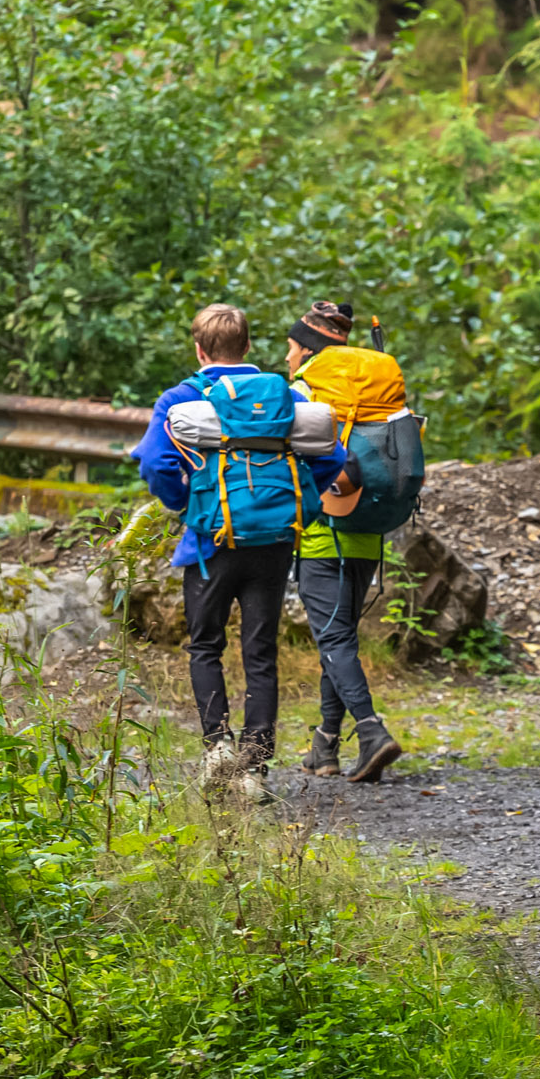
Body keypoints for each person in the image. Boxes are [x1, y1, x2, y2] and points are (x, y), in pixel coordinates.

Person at [129, 303, 345, 800]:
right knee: (260, 652)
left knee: (206, 645)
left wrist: (188, 504)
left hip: (211, 543)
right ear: (248, 345)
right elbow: (333, 455)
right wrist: (297, 502)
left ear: (199, 350)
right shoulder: (284, 395)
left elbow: (155, 464)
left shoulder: (181, 397)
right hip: (274, 542)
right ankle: (254, 771)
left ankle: (218, 747)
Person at [286, 302, 406, 782]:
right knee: (339, 640)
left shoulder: (306, 389)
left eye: (291, 348)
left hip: (324, 534)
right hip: (368, 532)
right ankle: (326, 745)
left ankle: (371, 730)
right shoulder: (367, 387)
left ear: (306, 348)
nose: (288, 357)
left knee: (334, 639)